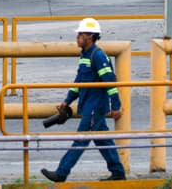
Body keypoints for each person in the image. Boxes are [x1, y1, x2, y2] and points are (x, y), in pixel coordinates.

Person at [41, 17, 126, 182]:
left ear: (90, 36)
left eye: (81, 34)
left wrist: (116, 106)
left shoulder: (98, 56)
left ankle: (61, 173)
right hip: (89, 106)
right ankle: (118, 172)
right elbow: (79, 82)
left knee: (80, 140)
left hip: (95, 108)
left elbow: (110, 82)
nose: (77, 37)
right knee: (104, 140)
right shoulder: (85, 56)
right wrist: (68, 100)